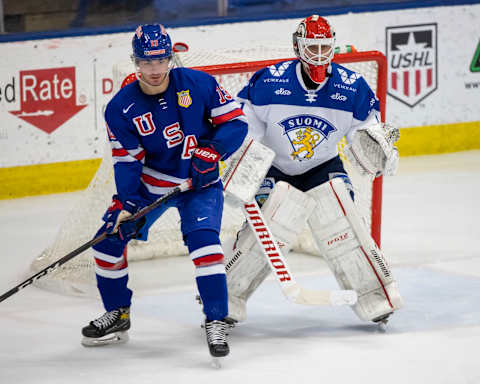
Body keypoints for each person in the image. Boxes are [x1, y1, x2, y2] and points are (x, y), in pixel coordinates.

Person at [81, 24, 248, 359]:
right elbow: (127, 161)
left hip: (198, 183)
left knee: (206, 246)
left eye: (160, 60)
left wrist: (212, 151)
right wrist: (126, 203)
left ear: (170, 58)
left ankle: (216, 320)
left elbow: (236, 124)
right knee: (107, 242)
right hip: (151, 185)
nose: (154, 70)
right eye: (146, 61)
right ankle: (118, 313)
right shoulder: (120, 108)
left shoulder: (198, 83)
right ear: (135, 62)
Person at [225, 15, 403, 325]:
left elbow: (364, 129)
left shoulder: (352, 86)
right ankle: (224, 297)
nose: (319, 55)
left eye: (324, 47)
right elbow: (247, 124)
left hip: (322, 166)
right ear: (298, 47)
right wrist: (245, 163)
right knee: (267, 232)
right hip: (275, 167)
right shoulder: (270, 80)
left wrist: (373, 143)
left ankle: (375, 296)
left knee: (343, 225)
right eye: (312, 47)